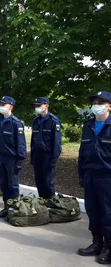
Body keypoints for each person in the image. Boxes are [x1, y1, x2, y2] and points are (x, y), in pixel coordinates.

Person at [77, 91, 111, 264]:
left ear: (109, 106)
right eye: (95, 102)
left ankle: (109, 247)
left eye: (101, 102)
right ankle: (97, 243)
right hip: (90, 174)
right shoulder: (88, 126)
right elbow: (82, 153)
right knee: (93, 211)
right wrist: (81, 174)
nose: (96, 105)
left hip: (107, 176)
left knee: (108, 213)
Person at [0, 96, 27, 218]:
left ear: (11, 107)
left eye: (4, 104)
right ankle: (6, 207)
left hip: (12, 159)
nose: (1, 106)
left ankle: (14, 210)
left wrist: (19, 161)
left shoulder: (16, 123)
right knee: (3, 184)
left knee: (12, 186)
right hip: (1, 158)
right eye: (0, 104)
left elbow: (21, 144)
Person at [30, 97, 62, 199]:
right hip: (37, 154)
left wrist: (54, 159)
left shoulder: (53, 121)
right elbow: (32, 140)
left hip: (48, 155)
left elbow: (57, 143)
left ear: (46, 105)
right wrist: (32, 156)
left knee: (48, 181)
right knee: (39, 181)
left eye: (39, 105)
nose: (37, 108)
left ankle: (51, 204)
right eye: (36, 106)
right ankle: (42, 202)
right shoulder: (36, 121)